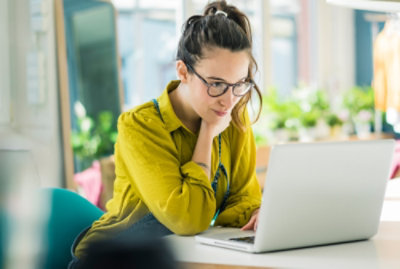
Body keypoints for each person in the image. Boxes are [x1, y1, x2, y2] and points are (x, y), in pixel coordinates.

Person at [70, 0, 263, 266]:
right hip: (114, 259)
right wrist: (207, 132)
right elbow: (188, 218)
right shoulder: (140, 126)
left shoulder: (233, 119)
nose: (228, 100)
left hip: (178, 256)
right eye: (216, 84)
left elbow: (243, 197)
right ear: (183, 71)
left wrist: (256, 212)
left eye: (238, 84)